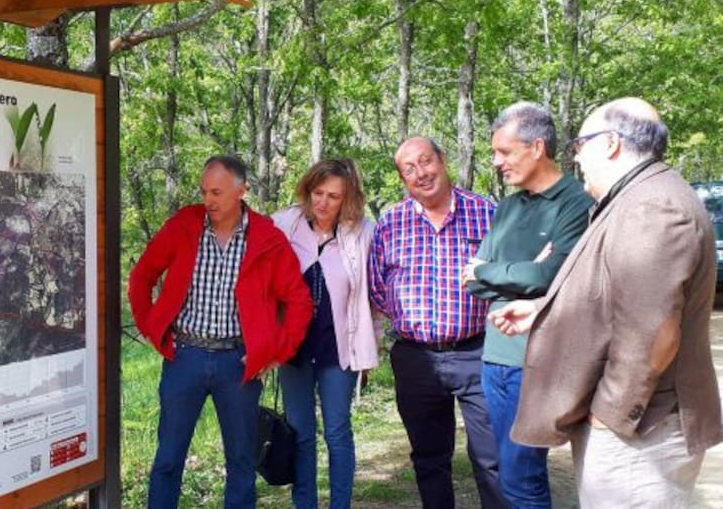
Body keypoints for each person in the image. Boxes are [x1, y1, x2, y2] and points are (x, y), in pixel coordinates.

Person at [490, 98, 723, 507]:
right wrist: (543, 309)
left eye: (581, 143)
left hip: (640, 436)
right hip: (637, 431)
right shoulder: (636, 197)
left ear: (611, 143)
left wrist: (609, 415)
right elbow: (614, 295)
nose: (576, 156)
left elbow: (655, 334)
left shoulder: (652, 207)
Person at [128, 155, 313, 509]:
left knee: (242, 462)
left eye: (216, 192)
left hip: (238, 363)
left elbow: (299, 302)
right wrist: (153, 328)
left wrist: (275, 353)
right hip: (185, 358)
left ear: (240, 191)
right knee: (168, 458)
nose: (208, 200)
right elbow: (142, 276)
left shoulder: (266, 238)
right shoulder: (184, 226)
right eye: (204, 191)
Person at [461, 102, 593, 508]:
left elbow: (553, 278)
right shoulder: (507, 206)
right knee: (506, 470)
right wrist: (523, 272)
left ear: (537, 147)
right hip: (493, 361)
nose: (497, 162)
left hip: (537, 361)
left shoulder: (575, 202)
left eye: (504, 151)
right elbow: (470, 281)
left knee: (522, 478)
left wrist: (496, 271)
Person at [368, 137, 508, 509]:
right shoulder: (391, 222)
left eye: (425, 162)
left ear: (442, 160)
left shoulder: (486, 212)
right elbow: (377, 285)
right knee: (429, 459)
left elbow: (507, 277)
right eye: (409, 169)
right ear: (403, 179)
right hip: (415, 358)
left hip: (477, 352)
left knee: (492, 458)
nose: (421, 174)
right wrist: (409, 320)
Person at [271, 159, 379, 509]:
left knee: (337, 431)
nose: (323, 202)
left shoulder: (363, 231)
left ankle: (340, 505)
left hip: (338, 349)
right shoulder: (284, 223)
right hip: (293, 350)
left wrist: (370, 350)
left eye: (333, 196)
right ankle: (305, 504)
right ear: (307, 190)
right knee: (300, 432)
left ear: (347, 199)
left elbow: (372, 295)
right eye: (318, 193)